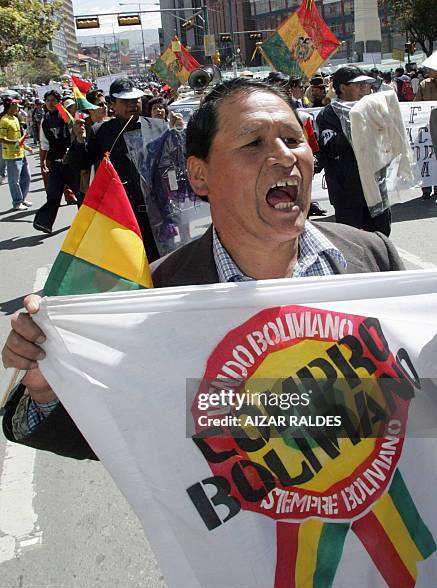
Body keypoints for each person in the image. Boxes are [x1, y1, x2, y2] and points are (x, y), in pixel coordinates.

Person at [1, 78, 404, 458]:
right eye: (253, 143)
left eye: (294, 139)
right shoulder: (154, 298)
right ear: (199, 174)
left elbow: (413, 401)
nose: (284, 155)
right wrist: (51, 387)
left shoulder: (373, 259)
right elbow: (120, 435)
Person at [68, 78, 182, 263]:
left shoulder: (158, 126)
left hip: (158, 214)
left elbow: (176, 164)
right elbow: (79, 163)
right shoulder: (100, 131)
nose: (132, 105)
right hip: (121, 216)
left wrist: (178, 133)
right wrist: (79, 140)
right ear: (112, 104)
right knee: (130, 267)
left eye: (135, 100)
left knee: (163, 266)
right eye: (125, 101)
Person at [316, 66, 392, 236]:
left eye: (366, 84)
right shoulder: (328, 115)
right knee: (352, 243)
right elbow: (332, 147)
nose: (364, 88)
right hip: (347, 193)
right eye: (358, 84)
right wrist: (357, 125)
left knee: (382, 236)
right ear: (342, 88)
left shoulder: (373, 110)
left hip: (375, 189)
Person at [32, 90, 80, 234]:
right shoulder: (44, 120)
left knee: (80, 193)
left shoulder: (66, 116)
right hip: (56, 164)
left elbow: (74, 134)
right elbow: (44, 144)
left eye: (53, 100)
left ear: (58, 102)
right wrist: (43, 162)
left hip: (71, 163)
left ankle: (87, 222)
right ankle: (44, 223)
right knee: (53, 194)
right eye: (47, 101)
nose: (50, 103)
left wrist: (71, 151)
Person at [0, 98, 32, 211]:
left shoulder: (15, 118)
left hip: (21, 153)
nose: (18, 107)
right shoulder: (4, 120)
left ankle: (22, 198)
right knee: (14, 181)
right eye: (16, 105)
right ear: (11, 105)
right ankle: (17, 202)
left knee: (27, 177)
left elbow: (19, 138)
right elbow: (1, 138)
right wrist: (15, 142)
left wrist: (26, 147)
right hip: (11, 155)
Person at [414, 51, 437, 199]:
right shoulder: (424, 84)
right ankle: (426, 187)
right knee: (426, 157)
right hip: (428, 127)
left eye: (431, 69)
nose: (428, 71)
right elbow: (416, 105)